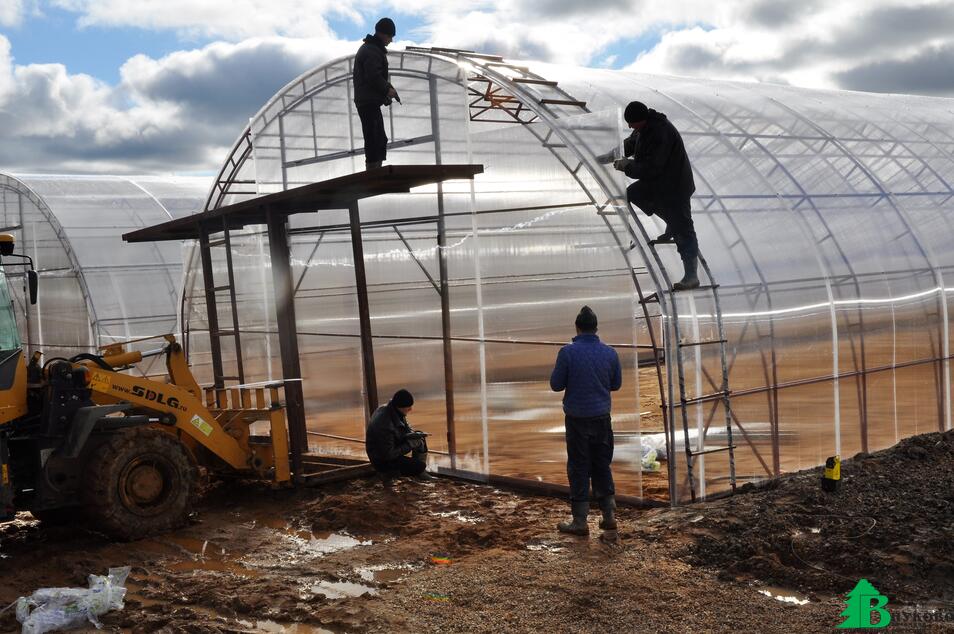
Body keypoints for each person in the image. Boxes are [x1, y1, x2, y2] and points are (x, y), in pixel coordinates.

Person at [601, 101, 699, 290]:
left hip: (676, 185)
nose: (630, 127)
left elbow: (652, 168)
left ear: (641, 120)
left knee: (683, 228)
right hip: (660, 183)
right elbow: (628, 146)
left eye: (632, 123)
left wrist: (627, 166)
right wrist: (605, 158)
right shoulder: (643, 129)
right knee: (633, 193)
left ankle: (691, 276)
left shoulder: (660, 132)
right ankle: (670, 221)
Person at [549, 306, 622, 537]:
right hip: (602, 418)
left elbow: (556, 384)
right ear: (596, 327)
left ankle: (579, 521)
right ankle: (609, 516)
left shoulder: (567, 353)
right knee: (602, 464)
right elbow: (616, 384)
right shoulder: (610, 353)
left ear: (577, 328)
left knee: (579, 466)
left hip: (577, 420)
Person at [353, 17, 400, 170]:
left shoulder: (371, 49)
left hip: (368, 100)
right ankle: (373, 172)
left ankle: (375, 169)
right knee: (374, 136)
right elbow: (373, 76)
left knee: (378, 136)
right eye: (390, 36)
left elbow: (374, 76)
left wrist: (387, 88)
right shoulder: (371, 50)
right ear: (384, 34)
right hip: (367, 101)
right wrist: (387, 89)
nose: (391, 40)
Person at [365, 388, 433, 481]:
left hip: (388, 449)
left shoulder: (394, 410)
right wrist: (409, 444)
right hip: (381, 460)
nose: (410, 409)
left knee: (420, 437)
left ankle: (421, 473)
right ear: (400, 406)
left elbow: (404, 428)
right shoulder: (384, 422)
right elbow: (387, 454)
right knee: (419, 466)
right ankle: (389, 474)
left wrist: (413, 434)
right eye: (408, 407)